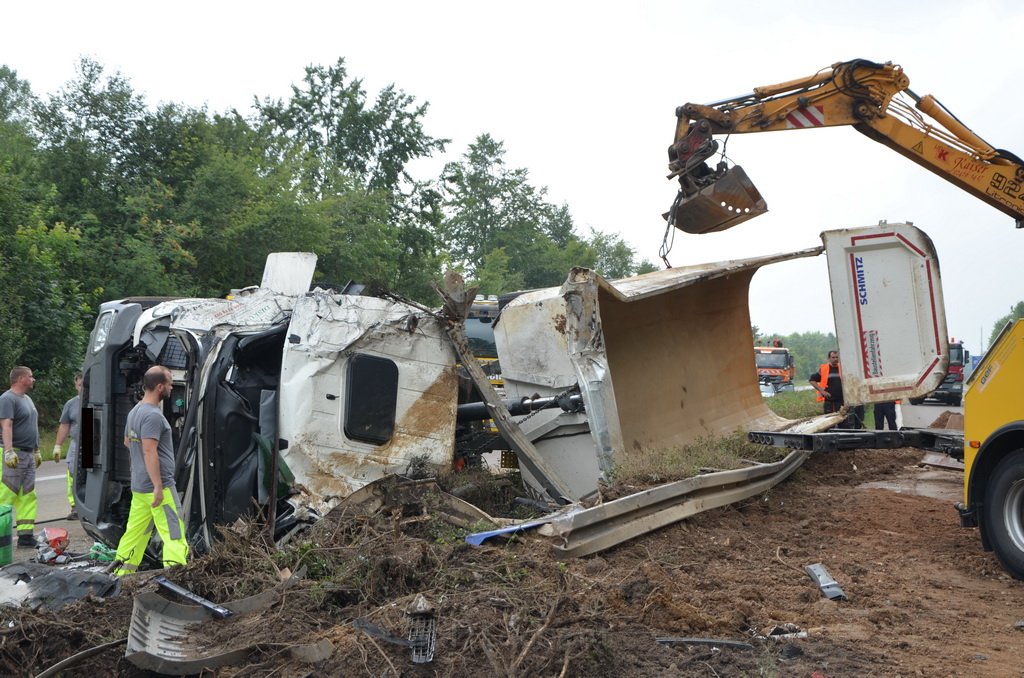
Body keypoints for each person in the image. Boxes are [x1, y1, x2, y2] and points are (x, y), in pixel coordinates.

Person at [113, 366, 188, 575]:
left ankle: (120, 577)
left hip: (139, 486)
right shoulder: (153, 416)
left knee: (134, 535)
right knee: (173, 533)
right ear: (160, 387)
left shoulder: (135, 411)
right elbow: (149, 451)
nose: (172, 387)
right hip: (159, 488)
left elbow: (128, 442)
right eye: (171, 383)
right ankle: (176, 579)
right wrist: (157, 485)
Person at [0, 366, 41, 547]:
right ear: (20, 379)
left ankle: (25, 536)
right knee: (7, 494)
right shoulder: (7, 399)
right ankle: (2, 537)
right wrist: (8, 451)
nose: (33, 380)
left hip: (27, 453)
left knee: (27, 495)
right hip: (14, 452)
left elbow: (32, 425)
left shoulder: (28, 399)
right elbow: (6, 426)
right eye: (30, 377)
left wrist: (37, 449)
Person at [53, 371, 83, 519]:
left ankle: (87, 505)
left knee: (88, 474)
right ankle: (75, 507)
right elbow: (64, 425)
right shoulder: (71, 404)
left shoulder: (94, 401)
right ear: (76, 386)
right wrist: (58, 446)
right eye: (79, 385)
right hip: (75, 444)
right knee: (73, 473)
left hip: (90, 444)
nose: (82, 388)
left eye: (85, 384)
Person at [809, 350, 865, 428]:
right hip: (830, 402)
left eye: (837, 357)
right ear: (829, 358)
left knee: (845, 425)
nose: (835, 359)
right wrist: (822, 391)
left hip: (843, 402)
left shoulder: (843, 368)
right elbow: (812, 380)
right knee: (829, 426)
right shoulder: (824, 369)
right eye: (833, 357)